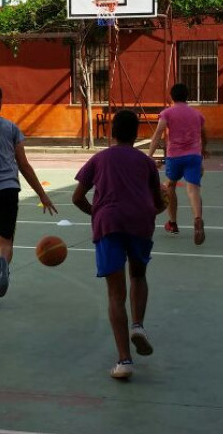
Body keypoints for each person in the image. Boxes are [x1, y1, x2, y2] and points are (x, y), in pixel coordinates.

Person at [73, 110, 164, 379]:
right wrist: (159, 204)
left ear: (111, 132)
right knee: (138, 274)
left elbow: (78, 196)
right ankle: (138, 325)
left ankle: (124, 361)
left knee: (115, 293)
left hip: (108, 223)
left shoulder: (100, 158)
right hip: (140, 221)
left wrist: (98, 213)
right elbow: (158, 203)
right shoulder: (145, 162)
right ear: (137, 134)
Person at [0, 83, 57, 309]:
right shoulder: (11, 127)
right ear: (0, 103)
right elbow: (23, 164)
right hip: (7, 188)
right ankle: (3, 262)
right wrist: (42, 194)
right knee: (4, 240)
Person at [148, 82, 209, 245]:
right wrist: (204, 151)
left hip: (175, 156)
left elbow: (158, 134)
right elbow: (203, 134)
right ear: (187, 96)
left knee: (170, 187)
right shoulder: (197, 114)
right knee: (193, 189)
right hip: (193, 156)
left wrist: (149, 156)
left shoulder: (167, 113)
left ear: (171, 97)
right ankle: (197, 220)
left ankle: (173, 223)